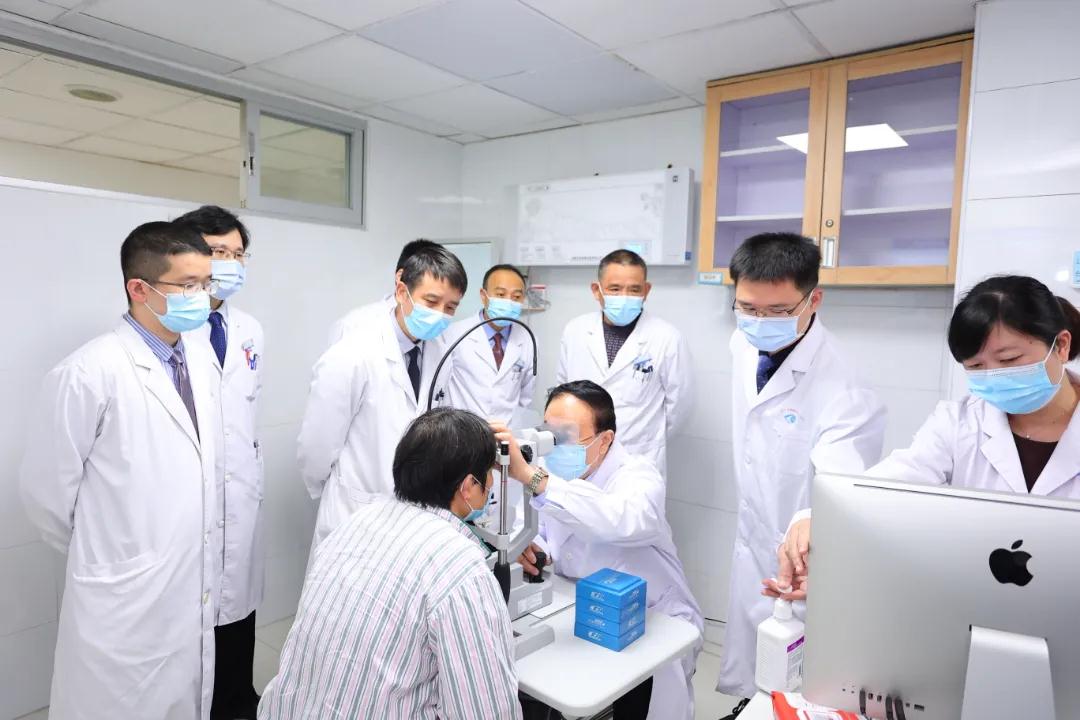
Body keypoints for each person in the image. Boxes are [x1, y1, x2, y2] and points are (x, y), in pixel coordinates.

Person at [769, 275, 1080, 604]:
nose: (993, 377)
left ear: (1060, 346)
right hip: (978, 602)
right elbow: (883, 489)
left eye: (1009, 360)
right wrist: (816, 520)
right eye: (976, 366)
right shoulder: (959, 423)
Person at [20, 221, 219, 719]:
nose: (202, 296)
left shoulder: (197, 358)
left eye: (206, 283)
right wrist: (113, 552)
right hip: (122, 594)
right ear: (140, 288)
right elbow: (46, 497)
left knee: (183, 697)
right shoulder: (87, 373)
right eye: (188, 285)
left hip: (186, 582)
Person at [260, 408, 521, 720]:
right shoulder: (460, 568)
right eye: (488, 475)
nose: (491, 483)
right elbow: (488, 711)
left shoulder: (355, 523)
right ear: (467, 488)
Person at [716, 233, 886, 710]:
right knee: (756, 678)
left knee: (802, 688)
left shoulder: (845, 384)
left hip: (808, 559)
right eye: (747, 308)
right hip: (754, 538)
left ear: (815, 299)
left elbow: (840, 482)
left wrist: (813, 517)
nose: (759, 321)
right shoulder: (742, 342)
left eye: (777, 311)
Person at [492, 380, 703, 720]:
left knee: (647, 709)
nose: (556, 447)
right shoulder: (552, 475)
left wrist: (533, 479)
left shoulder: (638, 476)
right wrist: (533, 547)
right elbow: (542, 529)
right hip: (585, 610)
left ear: (605, 440)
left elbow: (618, 519)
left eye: (567, 437)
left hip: (651, 618)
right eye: (550, 434)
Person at [298, 245, 466, 556]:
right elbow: (317, 444)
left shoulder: (441, 351)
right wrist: (340, 489)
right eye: (431, 302)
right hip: (357, 510)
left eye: (450, 307)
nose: (440, 314)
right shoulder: (354, 351)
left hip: (414, 513)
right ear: (402, 292)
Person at [175, 205, 264, 720]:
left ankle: (238, 702)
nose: (229, 264)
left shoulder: (249, 328)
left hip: (241, 496)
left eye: (237, 254)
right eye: (217, 252)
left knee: (238, 616)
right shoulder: (172, 328)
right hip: (194, 503)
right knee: (193, 626)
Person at [556, 249, 692, 475]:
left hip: (638, 457)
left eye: (634, 289)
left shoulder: (667, 337)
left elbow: (679, 408)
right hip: (580, 455)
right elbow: (563, 392)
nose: (624, 296)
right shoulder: (575, 330)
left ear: (646, 291)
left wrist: (647, 437)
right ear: (597, 290)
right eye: (615, 289)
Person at [327, 237, 441, 346]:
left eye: (449, 306)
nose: (440, 312)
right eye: (431, 299)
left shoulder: (441, 334)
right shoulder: (352, 326)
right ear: (400, 277)